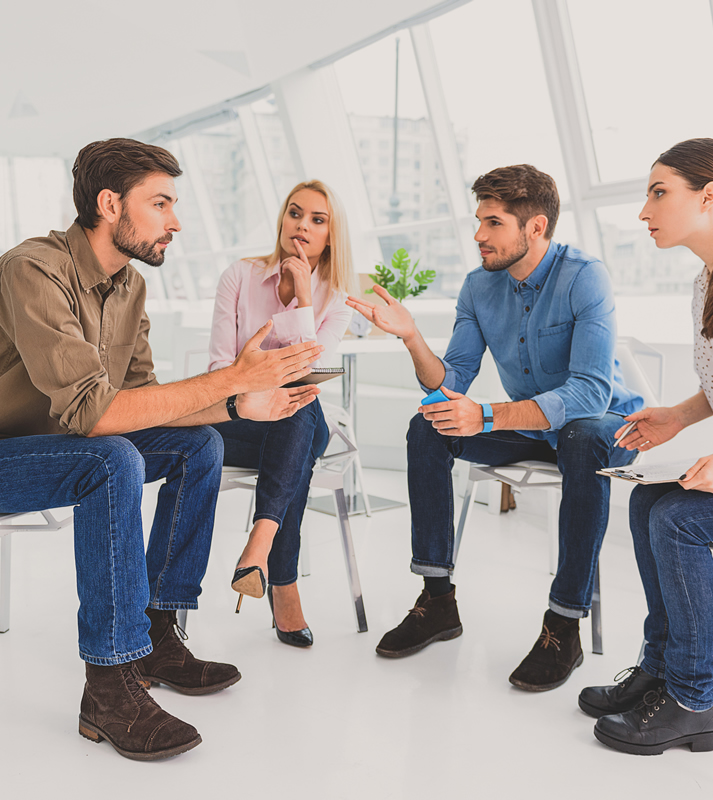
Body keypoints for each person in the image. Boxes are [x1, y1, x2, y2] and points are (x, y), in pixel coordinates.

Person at [0, 138, 323, 760]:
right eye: (162, 203)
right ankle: (108, 684)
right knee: (110, 459)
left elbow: (150, 404)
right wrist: (230, 379)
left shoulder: (128, 286)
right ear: (109, 204)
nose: (176, 221)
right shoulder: (32, 268)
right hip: (10, 454)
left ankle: (157, 631)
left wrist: (237, 405)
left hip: (67, 444)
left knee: (197, 444)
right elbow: (96, 417)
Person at [347, 164, 642, 690]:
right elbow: (450, 383)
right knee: (427, 427)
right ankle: (438, 600)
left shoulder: (584, 276)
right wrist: (412, 337)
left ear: (535, 227)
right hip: (532, 425)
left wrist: (485, 415)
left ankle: (564, 623)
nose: (479, 235)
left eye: (494, 222)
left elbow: (590, 394)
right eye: (478, 221)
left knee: (580, 436)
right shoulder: (479, 287)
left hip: (607, 429)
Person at [580, 138, 713, 756]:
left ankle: (694, 702)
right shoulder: (709, 280)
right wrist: (677, 416)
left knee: (678, 519)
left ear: (709, 197)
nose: (644, 212)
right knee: (646, 502)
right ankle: (660, 670)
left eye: (658, 193)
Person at [208, 180, 354, 646]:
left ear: (332, 234)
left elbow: (308, 372)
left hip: (294, 419)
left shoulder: (337, 298)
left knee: (297, 406)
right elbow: (218, 371)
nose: (302, 226)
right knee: (299, 418)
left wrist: (304, 300)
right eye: (295, 213)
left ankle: (260, 541)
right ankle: (281, 580)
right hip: (236, 420)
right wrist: (261, 385)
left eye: (317, 219)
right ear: (282, 219)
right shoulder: (240, 276)